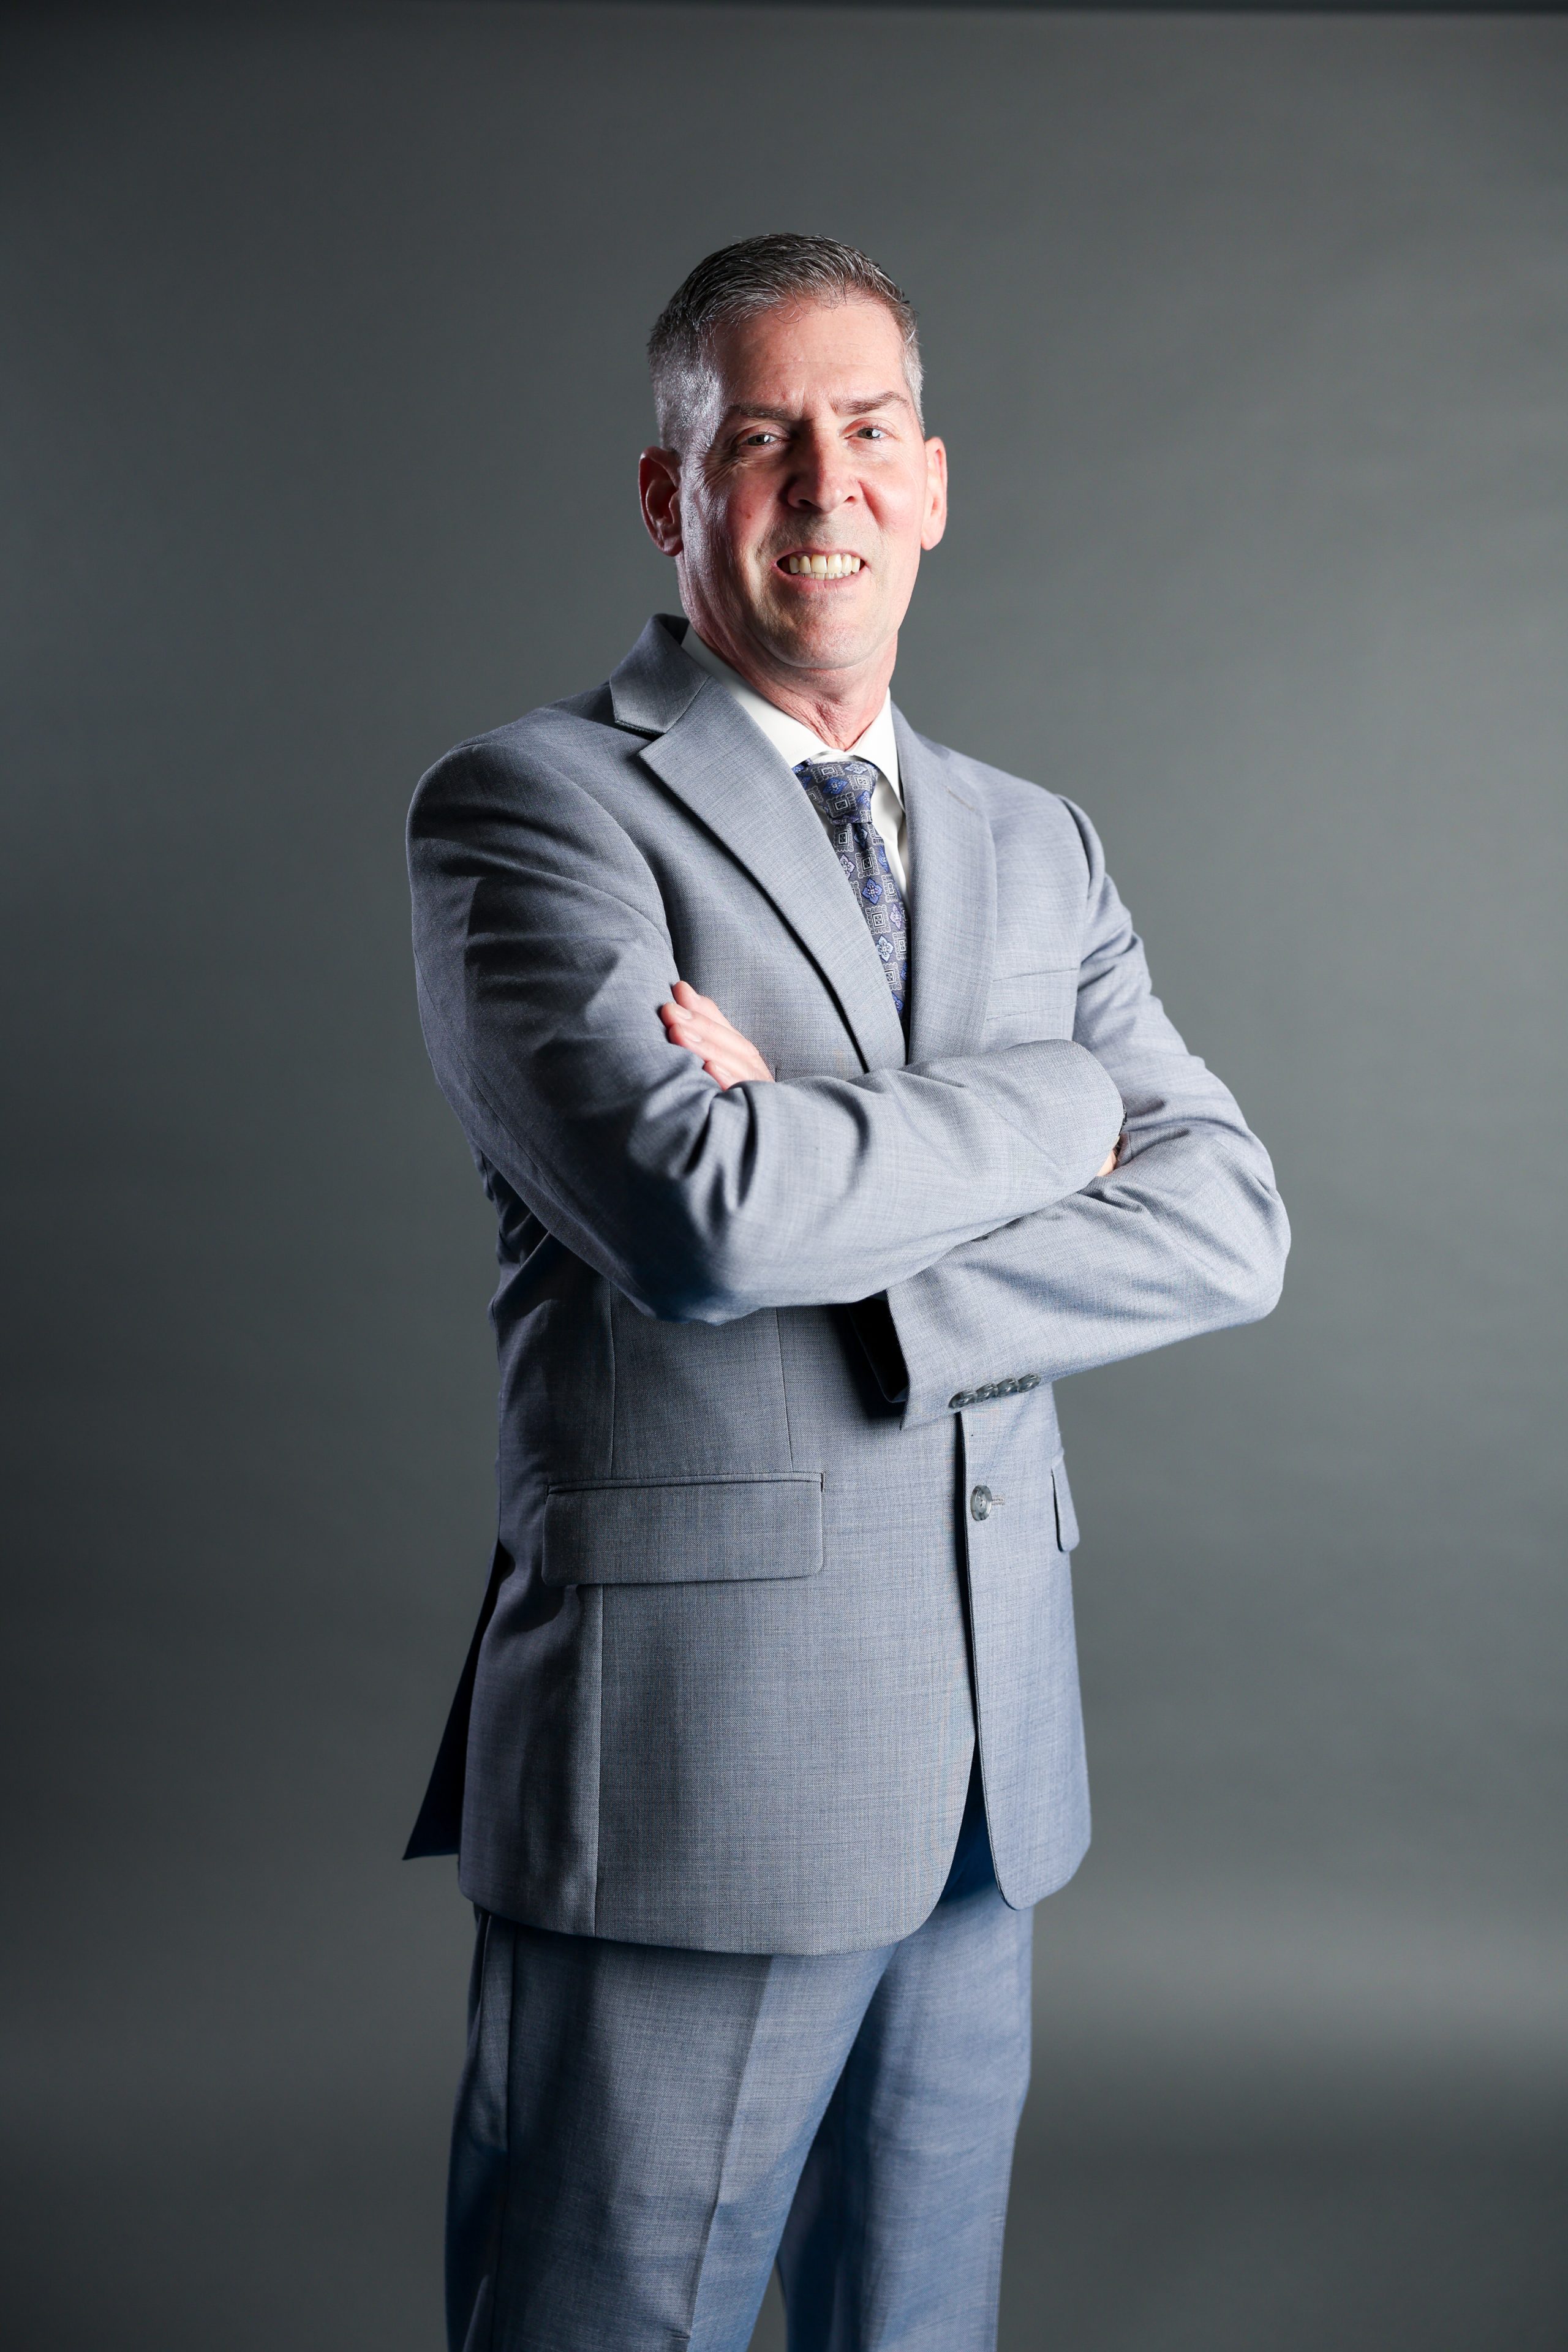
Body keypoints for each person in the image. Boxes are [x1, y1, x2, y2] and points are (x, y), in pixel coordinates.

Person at [405, 233, 1288, 2352]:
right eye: (765, 438)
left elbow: (1232, 1220)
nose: (830, 485)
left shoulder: (1034, 844)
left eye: (871, 432)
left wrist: (857, 1216)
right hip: (693, 1781)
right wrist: (1067, 1106)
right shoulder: (534, 810)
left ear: (936, 479)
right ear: (671, 494)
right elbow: (699, 1216)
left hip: (990, 1791)